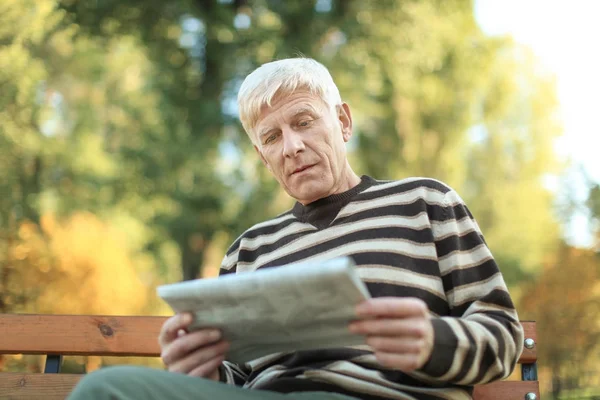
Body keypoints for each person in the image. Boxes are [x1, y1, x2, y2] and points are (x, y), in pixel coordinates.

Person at [68, 57, 524, 400]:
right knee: (108, 391)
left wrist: (433, 341)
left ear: (342, 122)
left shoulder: (426, 203)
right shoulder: (249, 249)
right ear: (260, 156)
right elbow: (240, 378)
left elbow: (503, 336)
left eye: (304, 122)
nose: (292, 146)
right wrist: (200, 371)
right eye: (271, 137)